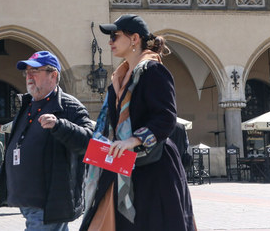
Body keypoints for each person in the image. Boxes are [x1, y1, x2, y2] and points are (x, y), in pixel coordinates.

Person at [80, 15, 195, 231]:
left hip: (153, 168)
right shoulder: (118, 79)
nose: (110, 41)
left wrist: (133, 140)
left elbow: (166, 117)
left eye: (115, 36)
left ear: (134, 39)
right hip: (122, 166)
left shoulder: (153, 71)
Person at [0, 50, 94, 230]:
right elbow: (13, 146)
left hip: (49, 200)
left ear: (53, 75)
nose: (29, 76)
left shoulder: (69, 107)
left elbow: (90, 144)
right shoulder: (27, 106)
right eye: (27, 72)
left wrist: (60, 126)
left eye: (35, 71)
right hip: (26, 199)